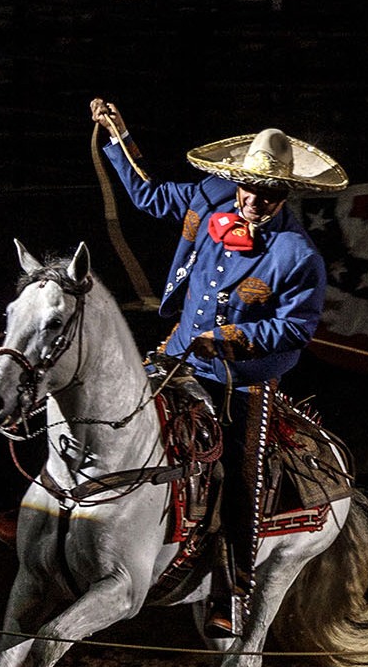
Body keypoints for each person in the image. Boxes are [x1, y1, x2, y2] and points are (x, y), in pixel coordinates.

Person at [90, 97, 347, 636]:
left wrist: (228, 337)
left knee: (239, 471)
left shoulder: (297, 256)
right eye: (248, 187)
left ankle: (232, 588)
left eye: (269, 193)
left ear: (286, 195)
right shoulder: (207, 196)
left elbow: (294, 330)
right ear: (234, 179)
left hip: (240, 379)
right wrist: (118, 135)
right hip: (178, 351)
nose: (254, 200)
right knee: (104, 404)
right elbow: (148, 193)